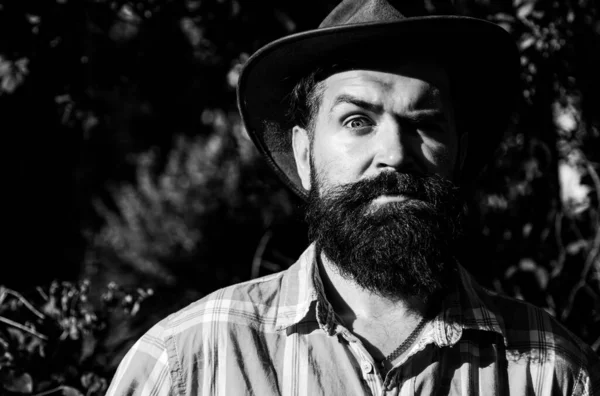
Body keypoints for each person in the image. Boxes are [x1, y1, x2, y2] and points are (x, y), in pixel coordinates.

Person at [107, 0, 600, 395]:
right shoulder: (188, 364)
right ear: (304, 155)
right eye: (357, 121)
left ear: (460, 154)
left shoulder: (551, 371)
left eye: (425, 124)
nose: (395, 154)